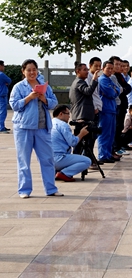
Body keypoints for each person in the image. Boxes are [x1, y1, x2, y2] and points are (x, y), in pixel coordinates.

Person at [10, 59, 62, 198]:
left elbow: (54, 103)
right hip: (23, 128)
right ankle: (24, 190)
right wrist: (29, 97)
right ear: (23, 71)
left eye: (34, 69)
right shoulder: (19, 87)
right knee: (24, 160)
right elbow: (14, 105)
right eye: (29, 70)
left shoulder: (44, 86)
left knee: (47, 159)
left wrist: (44, 99)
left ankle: (51, 189)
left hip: (42, 128)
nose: (32, 72)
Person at [51, 104, 91, 182]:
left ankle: (56, 172)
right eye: (68, 114)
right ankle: (64, 173)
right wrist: (81, 134)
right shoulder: (63, 125)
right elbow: (73, 142)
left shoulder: (50, 123)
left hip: (47, 159)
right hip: (58, 158)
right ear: (61, 114)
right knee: (87, 161)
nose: (69, 117)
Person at [69, 62, 99, 156]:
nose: (87, 72)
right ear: (78, 71)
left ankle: (83, 160)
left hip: (83, 115)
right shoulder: (79, 82)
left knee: (85, 140)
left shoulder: (80, 82)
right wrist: (94, 80)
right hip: (81, 116)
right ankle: (76, 161)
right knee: (80, 141)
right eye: (84, 70)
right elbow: (88, 91)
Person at [97, 61, 121, 163]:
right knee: (104, 133)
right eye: (108, 68)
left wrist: (115, 90)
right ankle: (103, 155)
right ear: (103, 68)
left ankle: (108, 153)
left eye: (112, 68)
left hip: (111, 109)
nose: (110, 70)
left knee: (111, 133)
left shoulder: (109, 79)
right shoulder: (102, 80)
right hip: (105, 109)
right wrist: (115, 90)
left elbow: (118, 90)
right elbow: (111, 93)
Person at [0, 60, 12, 133]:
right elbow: (9, 80)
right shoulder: (1, 74)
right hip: (2, 95)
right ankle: (1, 127)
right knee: (2, 112)